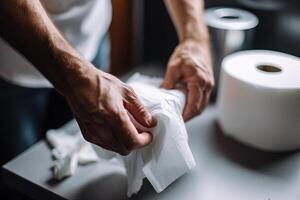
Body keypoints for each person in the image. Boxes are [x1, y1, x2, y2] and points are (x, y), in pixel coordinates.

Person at [0, 0, 214, 164]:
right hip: (11, 60)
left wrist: (194, 37)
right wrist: (76, 76)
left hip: (92, 37)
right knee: (18, 173)